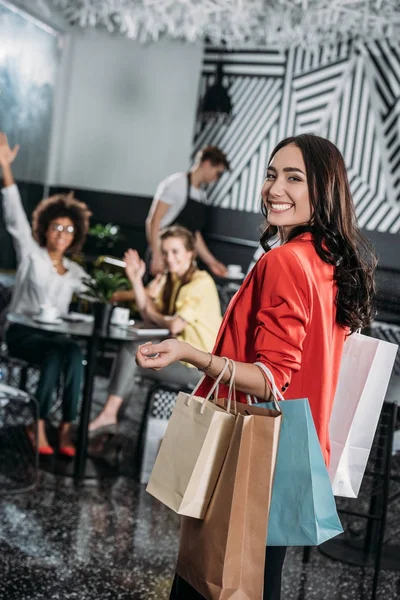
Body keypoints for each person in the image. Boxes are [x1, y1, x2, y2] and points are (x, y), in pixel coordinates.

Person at [135, 134, 377, 600]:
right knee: (261, 585)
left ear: (323, 189)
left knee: (208, 586)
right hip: (298, 457)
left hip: (255, 458)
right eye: (270, 174)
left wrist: (187, 351)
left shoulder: (285, 261)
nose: (274, 188)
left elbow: (271, 379)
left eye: (293, 178)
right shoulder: (330, 261)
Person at [0, 132, 92, 457]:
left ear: (76, 233)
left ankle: (66, 427)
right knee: (55, 354)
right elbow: (14, 215)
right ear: (45, 229)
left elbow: (99, 296)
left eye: (68, 229)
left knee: (74, 356)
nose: (62, 234)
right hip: (22, 332)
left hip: (54, 335)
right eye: (56, 227)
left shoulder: (75, 271)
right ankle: (36, 424)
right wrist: (5, 169)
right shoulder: (31, 254)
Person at [89, 225, 222, 436]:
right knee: (134, 358)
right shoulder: (171, 280)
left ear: (190, 253)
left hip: (200, 368)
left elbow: (174, 325)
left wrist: (157, 316)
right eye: (165, 252)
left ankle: (109, 419)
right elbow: (147, 314)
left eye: (175, 251)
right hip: (181, 358)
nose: (169, 258)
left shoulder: (200, 283)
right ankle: (110, 427)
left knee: (134, 355)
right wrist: (135, 279)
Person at [146, 146, 230, 279]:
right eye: (217, 173)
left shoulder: (202, 195)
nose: (217, 178)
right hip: (163, 254)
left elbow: (194, 235)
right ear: (207, 163)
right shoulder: (176, 183)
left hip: (180, 260)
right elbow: (153, 221)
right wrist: (157, 256)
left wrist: (212, 263)